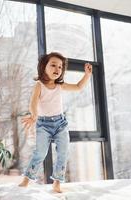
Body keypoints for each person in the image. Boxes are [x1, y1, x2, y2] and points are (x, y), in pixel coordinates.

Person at [18, 52, 92, 193]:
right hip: (43, 125)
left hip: (60, 124)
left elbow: (78, 87)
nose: (57, 69)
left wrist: (87, 75)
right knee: (40, 153)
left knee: (63, 152)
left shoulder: (60, 85)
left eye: (60, 67)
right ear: (43, 67)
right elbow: (33, 102)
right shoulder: (39, 85)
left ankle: (57, 182)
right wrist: (34, 115)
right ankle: (26, 180)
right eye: (53, 65)